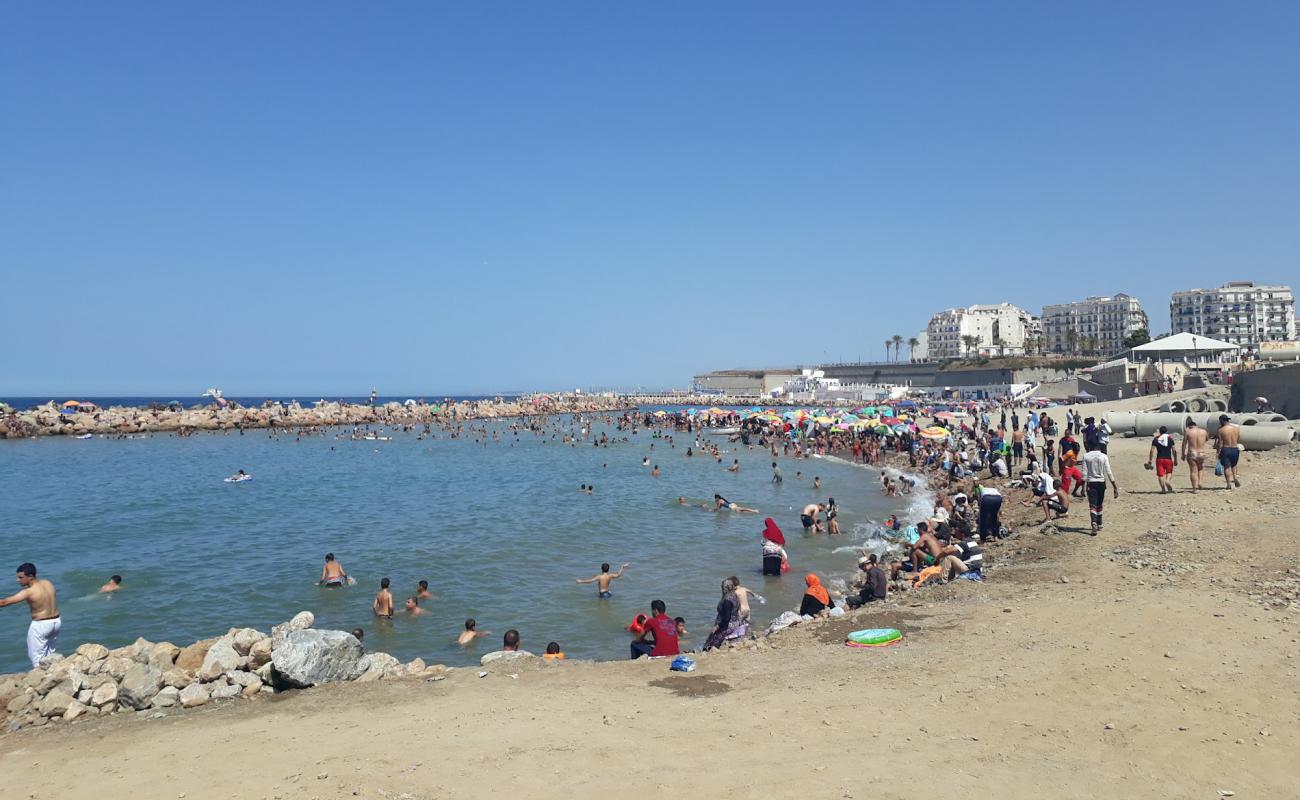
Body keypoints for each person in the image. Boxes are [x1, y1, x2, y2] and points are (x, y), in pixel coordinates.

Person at [0, 563, 61, 668]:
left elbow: (4, 602)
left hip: (41, 625)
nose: (17, 580)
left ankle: (39, 679)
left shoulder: (29, 592)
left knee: (37, 659)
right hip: (56, 622)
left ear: (30, 576)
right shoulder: (48, 583)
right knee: (50, 656)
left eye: (21, 577)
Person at [1082, 441, 1119, 534]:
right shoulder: (1103, 456)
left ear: (1091, 448)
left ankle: (1094, 522)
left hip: (1091, 482)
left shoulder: (1086, 456)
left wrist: (1082, 487)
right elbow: (1109, 472)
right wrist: (1114, 486)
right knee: (1099, 503)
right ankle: (1099, 523)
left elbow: (1084, 473)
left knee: (1092, 504)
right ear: (1099, 448)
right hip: (1101, 483)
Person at [703, 579, 741, 650]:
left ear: (725, 587)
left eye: (722, 587)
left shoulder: (727, 600)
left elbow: (727, 618)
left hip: (727, 626)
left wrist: (717, 626)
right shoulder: (734, 595)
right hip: (736, 623)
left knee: (709, 643)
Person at [1146, 426, 1179, 493]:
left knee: (1160, 475)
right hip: (1168, 459)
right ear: (1166, 431)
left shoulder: (1156, 439)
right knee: (1169, 472)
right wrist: (1175, 459)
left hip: (1159, 459)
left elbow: (1152, 450)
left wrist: (1150, 460)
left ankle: (1163, 489)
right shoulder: (1170, 439)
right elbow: (1174, 450)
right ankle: (1167, 481)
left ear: (1160, 432)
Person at [1215, 415, 1242, 489]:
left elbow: (1220, 443)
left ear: (1222, 420)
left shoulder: (1221, 430)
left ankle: (1228, 484)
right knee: (1234, 465)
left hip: (1226, 449)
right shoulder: (1236, 429)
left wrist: (1218, 452)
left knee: (1226, 467)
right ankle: (1235, 477)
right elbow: (1238, 438)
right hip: (1235, 448)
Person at [1182, 419, 1208, 493]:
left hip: (1192, 453)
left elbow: (1184, 443)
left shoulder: (1188, 432)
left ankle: (1194, 489)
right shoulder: (1204, 431)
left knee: (1193, 471)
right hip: (1201, 453)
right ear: (1196, 425)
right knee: (1200, 468)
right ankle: (1200, 482)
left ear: (1189, 426)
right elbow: (1207, 439)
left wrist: (1183, 454)